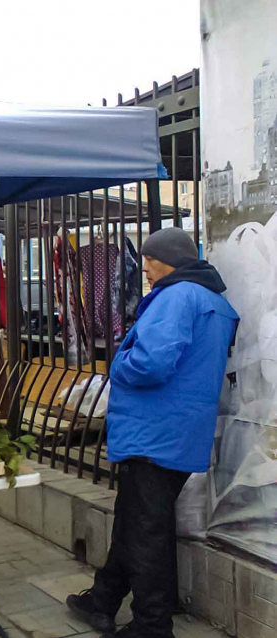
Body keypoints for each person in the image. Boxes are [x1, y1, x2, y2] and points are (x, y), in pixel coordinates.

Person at [67, 228, 239, 638]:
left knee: (146, 533)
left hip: (154, 433)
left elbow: (149, 364)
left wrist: (116, 366)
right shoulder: (215, 302)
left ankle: (152, 625)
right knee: (135, 523)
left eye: (150, 259)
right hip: (178, 432)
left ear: (171, 260)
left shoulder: (177, 296)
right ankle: (103, 600)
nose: (143, 267)